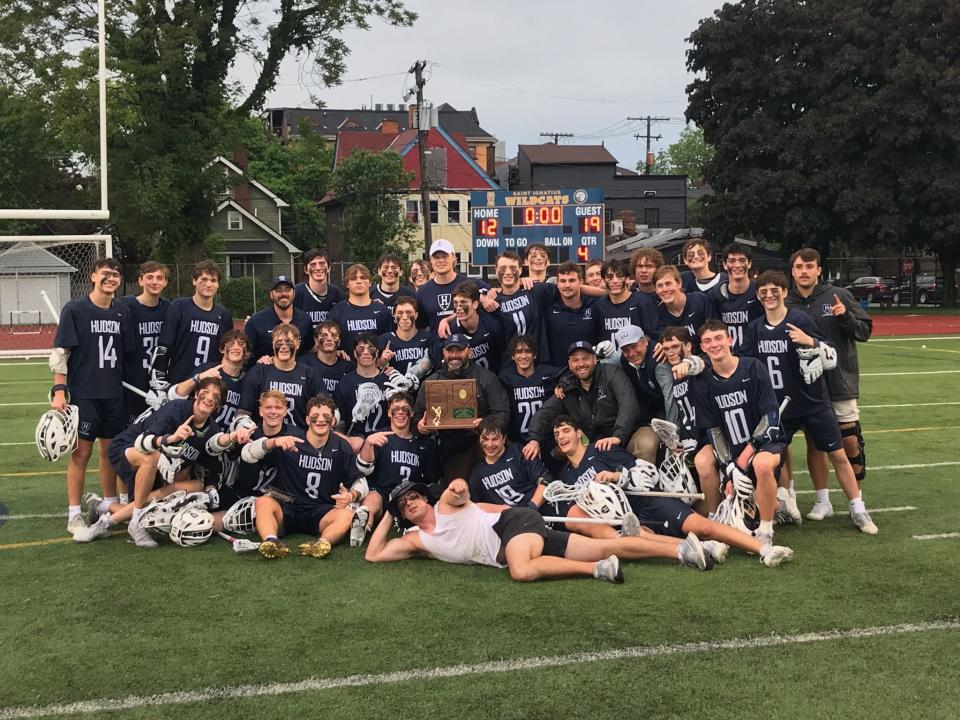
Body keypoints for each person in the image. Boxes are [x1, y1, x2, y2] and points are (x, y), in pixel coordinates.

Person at [364, 477, 713, 583]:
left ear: (425, 498)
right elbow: (374, 554)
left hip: (514, 526)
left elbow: (460, 490)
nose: (411, 503)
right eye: (404, 504)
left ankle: (597, 571)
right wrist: (383, 514)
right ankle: (683, 550)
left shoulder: (444, 505)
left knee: (522, 571)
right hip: (522, 538)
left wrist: (457, 488)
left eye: (414, 497)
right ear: (404, 516)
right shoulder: (416, 539)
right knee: (612, 545)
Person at [552, 416, 792, 566]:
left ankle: (764, 549)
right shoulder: (566, 477)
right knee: (639, 536)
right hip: (625, 519)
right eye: (557, 435)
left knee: (703, 526)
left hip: (647, 501)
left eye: (565, 431)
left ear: (578, 433)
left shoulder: (602, 450)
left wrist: (617, 476)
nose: (561, 437)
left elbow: (648, 473)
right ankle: (703, 548)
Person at [743, 271, 877, 535]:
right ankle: (783, 503)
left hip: (812, 400)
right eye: (763, 292)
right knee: (773, 456)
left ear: (784, 292)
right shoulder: (755, 328)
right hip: (778, 406)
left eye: (774, 290)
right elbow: (747, 364)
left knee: (837, 454)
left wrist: (811, 341)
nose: (769, 295)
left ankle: (858, 507)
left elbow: (830, 353)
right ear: (758, 296)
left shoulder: (800, 319)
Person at [76, 377, 248, 547]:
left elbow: (211, 468)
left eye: (216, 397)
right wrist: (170, 438)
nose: (210, 397)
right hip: (130, 449)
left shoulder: (211, 431)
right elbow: (144, 442)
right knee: (152, 458)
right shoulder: (177, 409)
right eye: (206, 392)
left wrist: (211, 488)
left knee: (192, 486)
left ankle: (105, 508)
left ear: (218, 405)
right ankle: (115, 523)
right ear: (196, 394)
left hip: (159, 472)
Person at [787, 247, 872, 520]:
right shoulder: (786, 301)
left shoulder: (838, 295)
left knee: (849, 443)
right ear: (793, 271)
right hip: (806, 385)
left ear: (819, 270)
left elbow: (865, 331)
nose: (804, 271)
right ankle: (822, 500)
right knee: (815, 443)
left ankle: (857, 499)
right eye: (799, 267)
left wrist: (845, 316)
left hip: (838, 382)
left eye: (809, 267)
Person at [50, 257, 132, 535]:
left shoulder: (122, 312)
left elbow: (126, 356)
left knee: (110, 452)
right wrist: (59, 390)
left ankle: (106, 506)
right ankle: (74, 512)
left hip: (113, 393)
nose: (112, 278)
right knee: (80, 453)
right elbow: (61, 353)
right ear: (93, 277)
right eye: (106, 273)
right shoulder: (75, 309)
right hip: (85, 393)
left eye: (116, 275)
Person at [692, 320, 787, 544]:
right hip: (732, 449)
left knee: (761, 465)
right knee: (703, 461)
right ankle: (716, 519)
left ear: (729, 340)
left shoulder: (753, 367)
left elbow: (771, 418)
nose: (714, 344)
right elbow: (714, 431)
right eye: (707, 341)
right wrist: (728, 469)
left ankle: (765, 531)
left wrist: (741, 462)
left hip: (764, 444)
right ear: (702, 348)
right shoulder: (702, 381)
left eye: (718, 338)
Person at [243, 394, 364, 559]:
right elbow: (247, 455)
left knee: (347, 515)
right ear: (307, 419)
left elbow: (360, 481)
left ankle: (323, 543)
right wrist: (272, 443)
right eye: (315, 417)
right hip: (287, 505)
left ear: (333, 421)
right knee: (263, 502)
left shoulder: (341, 447)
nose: (320, 420)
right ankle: (271, 541)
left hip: (320, 509)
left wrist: (351, 495)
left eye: (326, 417)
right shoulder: (291, 439)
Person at [412, 334, 510, 484]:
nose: (454, 356)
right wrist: (420, 427)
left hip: (484, 442)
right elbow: (416, 419)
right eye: (450, 351)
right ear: (443, 352)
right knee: (457, 492)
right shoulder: (430, 383)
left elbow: (503, 413)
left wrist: (486, 423)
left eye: (459, 350)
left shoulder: (487, 378)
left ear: (469, 351)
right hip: (453, 449)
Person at [524, 340, 639, 461]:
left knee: (645, 444)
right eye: (575, 360)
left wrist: (618, 437)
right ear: (569, 364)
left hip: (625, 436)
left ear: (595, 359)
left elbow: (628, 404)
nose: (581, 364)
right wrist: (534, 440)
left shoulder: (611, 373)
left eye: (585, 358)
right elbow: (544, 414)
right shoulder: (566, 387)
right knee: (559, 451)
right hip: (593, 446)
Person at [353, 392, 439, 544]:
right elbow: (362, 469)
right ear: (388, 412)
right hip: (383, 493)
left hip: (408, 497)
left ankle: (417, 524)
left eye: (405, 409)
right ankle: (363, 525)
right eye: (395, 409)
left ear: (411, 413)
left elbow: (431, 479)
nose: (400, 413)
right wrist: (368, 443)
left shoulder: (424, 444)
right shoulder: (380, 436)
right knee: (372, 499)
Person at [151, 259, 233, 386]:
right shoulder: (179, 307)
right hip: (180, 381)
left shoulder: (223, 314)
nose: (208, 284)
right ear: (194, 281)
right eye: (204, 279)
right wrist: (158, 380)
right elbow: (164, 347)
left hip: (209, 385)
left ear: (218, 284)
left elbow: (227, 353)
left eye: (213, 280)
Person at [237, 324, 321, 429]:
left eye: (289, 342)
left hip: (300, 439)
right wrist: (244, 430)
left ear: (298, 344)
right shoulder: (258, 372)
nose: (284, 347)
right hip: (264, 439)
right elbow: (243, 412)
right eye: (279, 342)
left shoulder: (310, 374)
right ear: (272, 344)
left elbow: (326, 407)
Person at [602, 324, 663, 463]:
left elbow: (672, 397)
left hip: (673, 414)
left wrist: (674, 432)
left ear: (645, 341)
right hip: (647, 417)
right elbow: (594, 364)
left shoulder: (659, 356)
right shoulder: (624, 361)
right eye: (625, 349)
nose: (631, 353)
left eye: (635, 346)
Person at [119, 260, 170, 421]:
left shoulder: (170, 308)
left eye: (159, 278)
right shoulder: (125, 306)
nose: (154, 282)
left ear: (165, 282)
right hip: (131, 382)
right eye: (150, 277)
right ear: (141, 280)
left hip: (159, 384)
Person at [468, 417, 551, 508]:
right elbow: (476, 507)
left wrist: (531, 508)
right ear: (479, 439)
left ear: (504, 439)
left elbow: (546, 480)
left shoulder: (520, 452)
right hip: (506, 519)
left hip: (535, 512)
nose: (490, 444)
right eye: (485, 439)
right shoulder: (477, 473)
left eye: (495, 439)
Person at [498, 335, 562, 444]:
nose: (523, 356)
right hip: (518, 440)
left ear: (535, 354)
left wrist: (562, 384)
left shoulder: (548, 373)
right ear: (513, 356)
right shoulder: (505, 378)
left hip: (547, 438)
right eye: (518, 352)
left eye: (528, 351)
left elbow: (570, 374)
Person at [415, 238, 488, 334]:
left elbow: (496, 301)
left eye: (445, 256)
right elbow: (419, 327)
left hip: (470, 346)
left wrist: (489, 295)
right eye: (436, 257)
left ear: (453, 257)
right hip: (438, 346)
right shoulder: (422, 293)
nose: (440, 260)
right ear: (430, 260)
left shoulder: (473, 285)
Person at [335, 334, 393, 449]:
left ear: (377, 353)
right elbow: (340, 421)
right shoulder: (346, 382)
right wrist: (344, 441)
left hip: (385, 440)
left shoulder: (388, 380)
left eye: (371, 349)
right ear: (355, 353)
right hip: (356, 441)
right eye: (361, 349)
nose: (366, 352)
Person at [243, 275, 314, 366]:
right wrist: (259, 360)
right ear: (271, 294)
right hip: (266, 375)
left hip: (297, 376)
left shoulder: (305, 320)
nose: (283, 294)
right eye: (278, 290)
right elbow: (246, 357)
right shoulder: (255, 322)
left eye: (288, 290)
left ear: (294, 293)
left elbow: (309, 350)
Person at [542, 262, 601, 366]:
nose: (567, 285)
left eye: (572, 280)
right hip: (557, 375)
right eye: (563, 281)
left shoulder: (595, 305)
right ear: (557, 284)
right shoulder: (547, 308)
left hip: (590, 374)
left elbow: (611, 292)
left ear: (581, 282)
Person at [327, 263, 393, 356]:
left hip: (376, 366)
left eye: (363, 278)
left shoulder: (382, 310)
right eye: (354, 278)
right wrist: (335, 351)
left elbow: (390, 341)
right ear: (347, 284)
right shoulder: (337, 311)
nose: (359, 281)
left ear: (370, 282)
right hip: (347, 367)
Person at [708, 243, 762, 352]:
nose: (737, 265)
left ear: (749, 263)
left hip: (755, 356)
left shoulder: (760, 291)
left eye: (742, 260)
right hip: (728, 357)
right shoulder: (716, 294)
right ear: (724, 264)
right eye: (732, 261)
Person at [445, 282, 508, 372]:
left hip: (495, 376)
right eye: (456, 303)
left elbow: (504, 353)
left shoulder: (491, 323)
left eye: (463, 302)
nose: (458, 308)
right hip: (468, 380)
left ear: (475, 304)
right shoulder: (452, 329)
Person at [648, 265, 716, 346]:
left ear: (679, 283)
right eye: (660, 286)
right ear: (655, 290)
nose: (665, 289)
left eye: (668, 284)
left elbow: (715, 331)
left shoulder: (700, 301)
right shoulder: (657, 313)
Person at [592, 259, 650, 346]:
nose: (615, 281)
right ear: (603, 280)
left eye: (619, 276)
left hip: (637, 357)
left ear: (627, 279)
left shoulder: (642, 302)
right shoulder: (599, 305)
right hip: (608, 358)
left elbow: (653, 335)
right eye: (609, 277)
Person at [377, 296, 434, 376]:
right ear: (394, 315)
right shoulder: (384, 340)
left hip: (423, 386)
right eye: (400, 313)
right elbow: (371, 368)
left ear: (416, 315)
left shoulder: (428, 338)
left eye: (409, 312)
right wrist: (382, 361)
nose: (405, 317)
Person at [301, 321, 354, 396]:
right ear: (316, 340)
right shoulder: (303, 364)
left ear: (339, 341)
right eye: (324, 335)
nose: (329, 339)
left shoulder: (349, 368)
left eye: (334, 336)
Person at [294, 249, 342, 327]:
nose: (318, 268)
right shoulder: (297, 292)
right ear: (306, 269)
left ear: (329, 267)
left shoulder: (336, 293)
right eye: (313, 264)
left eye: (322, 263)